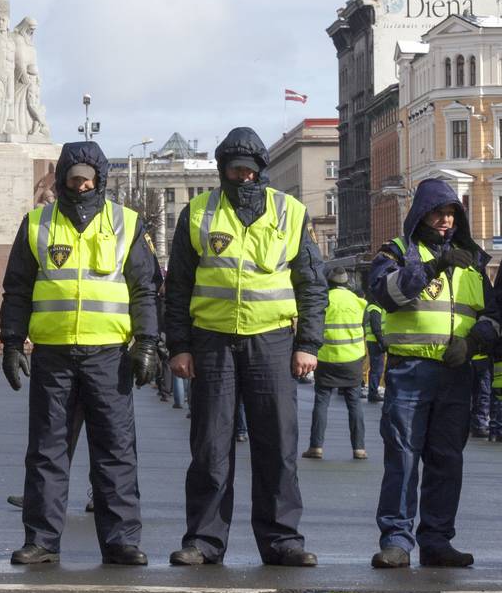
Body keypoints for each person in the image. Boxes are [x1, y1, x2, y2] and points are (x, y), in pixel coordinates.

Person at [164, 126, 328, 568]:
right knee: (211, 448)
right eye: (235, 171)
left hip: (272, 341)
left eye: (250, 171)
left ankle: (282, 541)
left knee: (277, 446)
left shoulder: (290, 213)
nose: (243, 178)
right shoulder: (198, 212)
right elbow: (177, 286)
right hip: (213, 342)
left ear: (262, 172)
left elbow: (312, 283)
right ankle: (203, 541)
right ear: (222, 172)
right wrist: (178, 345)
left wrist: (308, 343)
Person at [0, 142, 160, 567]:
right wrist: (13, 343)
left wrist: (147, 342)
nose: (82, 185)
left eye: (88, 179)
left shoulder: (125, 223)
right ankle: (41, 540)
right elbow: (16, 288)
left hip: (109, 356)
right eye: (74, 179)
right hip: (53, 356)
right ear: (62, 180)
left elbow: (144, 288)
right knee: (47, 452)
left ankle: (121, 540)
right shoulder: (37, 223)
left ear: (101, 180)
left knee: (115, 450)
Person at [369, 178, 498, 568]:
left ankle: (437, 540)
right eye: (438, 213)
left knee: (446, 460)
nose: (445, 221)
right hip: (410, 370)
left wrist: (474, 343)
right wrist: (434, 265)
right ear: (421, 214)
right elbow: (386, 295)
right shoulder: (396, 252)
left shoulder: (473, 259)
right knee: (404, 458)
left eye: (451, 214)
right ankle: (396, 540)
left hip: (456, 374)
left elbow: (492, 315)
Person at [302, 266, 368, 460]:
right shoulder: (359, 302)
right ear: (347, 283)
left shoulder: (323, 301)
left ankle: (316, 447)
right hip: (352, 360)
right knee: (354, 403)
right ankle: (359, 448)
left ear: (329, 282)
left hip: (326, 358)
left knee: (321, 401)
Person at [364, 297, 386, 403]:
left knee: (376, 368)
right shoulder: (375, 308)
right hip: (376, 342)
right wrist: (382, 342)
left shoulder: (372, 307)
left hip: (373, 341)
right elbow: (376, 328)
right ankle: (373, 392)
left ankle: (373, 391)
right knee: (377, 368)